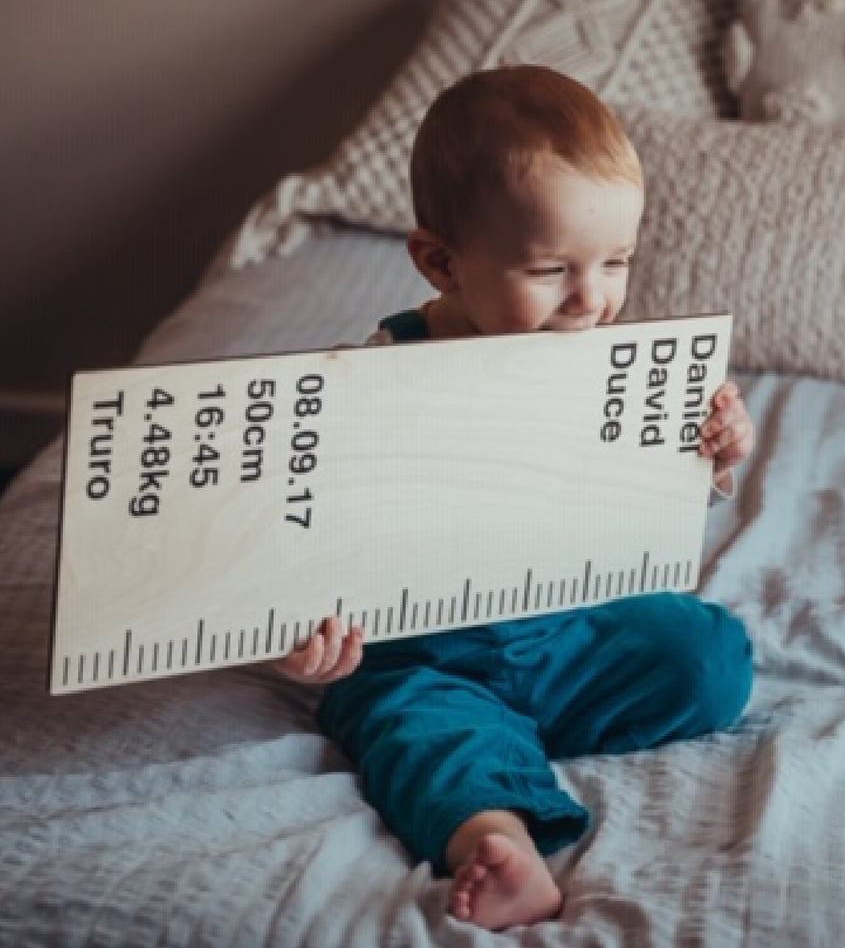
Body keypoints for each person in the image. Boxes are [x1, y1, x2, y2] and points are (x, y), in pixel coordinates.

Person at [270, 65, 756, 931]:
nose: (592, 298)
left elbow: (641, 501)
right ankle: (497, 838)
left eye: (616, 262)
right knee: (414, 727)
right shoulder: (376, 380)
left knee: (709, 658)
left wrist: (710, 458)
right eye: (550, 269)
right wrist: (305, 638)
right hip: (421, 646)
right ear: (441, 262)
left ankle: (511, 737)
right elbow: (307, 533)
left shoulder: (596, 353)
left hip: (559, 622)